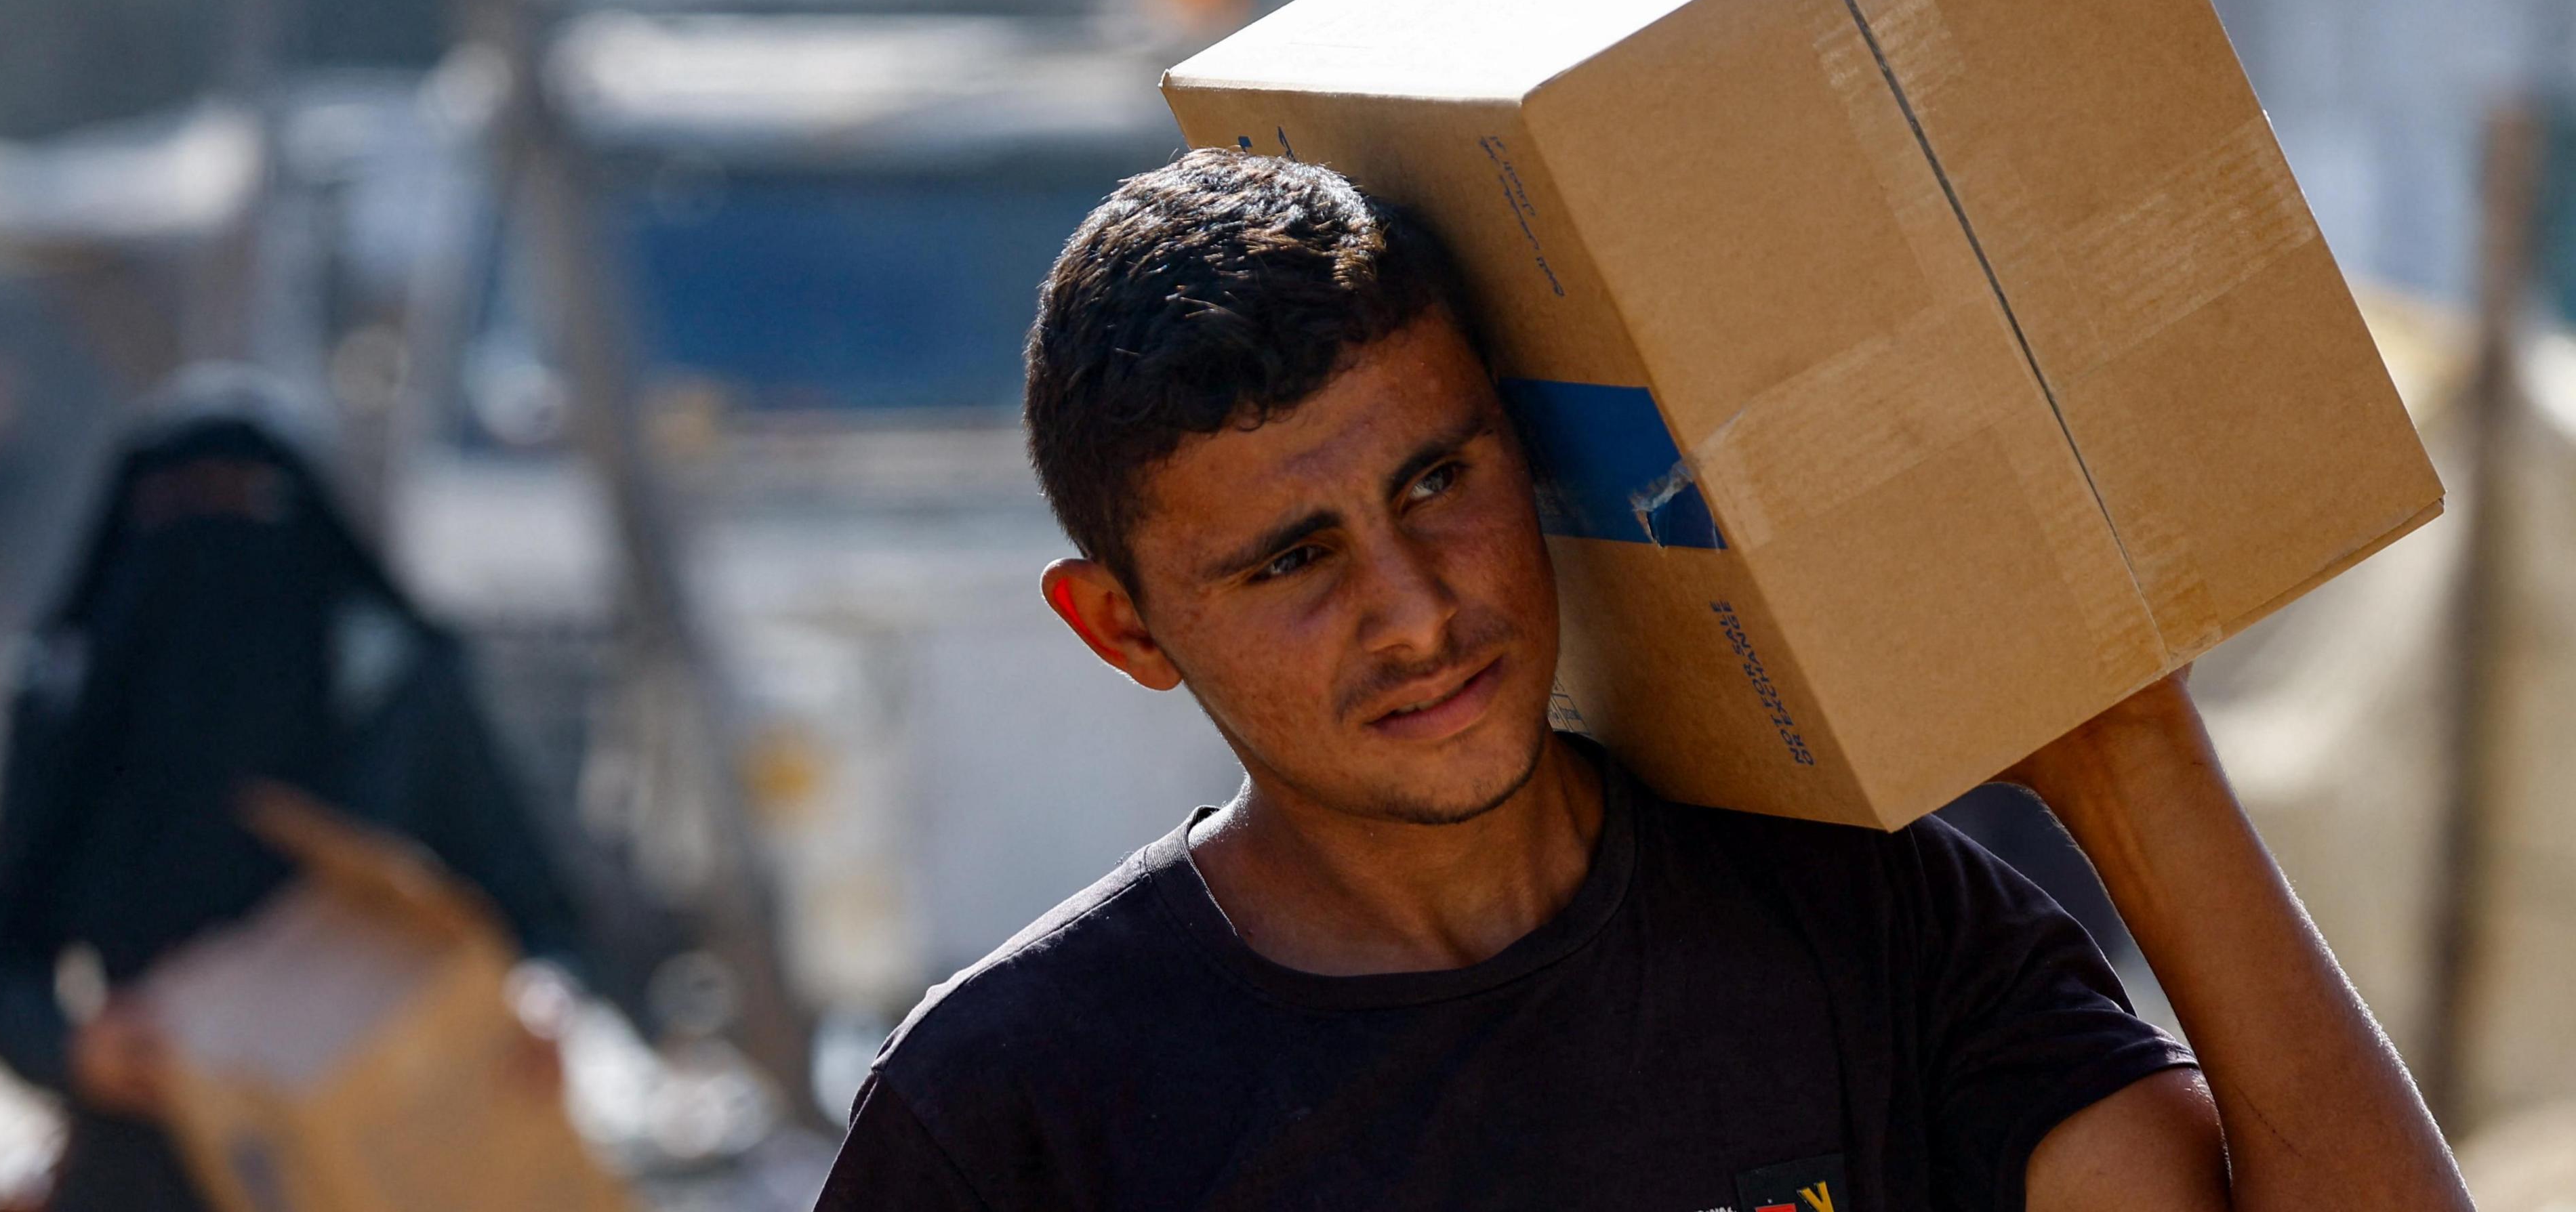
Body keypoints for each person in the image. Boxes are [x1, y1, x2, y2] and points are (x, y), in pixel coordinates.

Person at [815, 150, 2472, 1211]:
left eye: (1434, 484)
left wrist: (2131, 754)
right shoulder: (1018, 1112)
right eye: (1289, 561)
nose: (1412, 611)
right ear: (1120, 626)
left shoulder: (1866, 929)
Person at [0, 367, 581, 1211]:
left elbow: (541, 915)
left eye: (248, 504)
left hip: (384, 1155)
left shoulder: (394, 695)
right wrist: (77, 1049)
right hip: (150, 1156)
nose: (213, 554)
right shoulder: (76, 704)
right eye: (186, 507)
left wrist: (540, 1003)